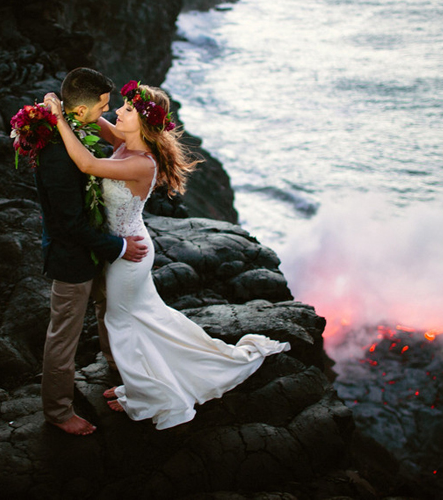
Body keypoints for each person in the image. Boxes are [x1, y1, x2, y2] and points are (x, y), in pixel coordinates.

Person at [43, 81, 290, 430]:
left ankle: (150, 392)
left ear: (143, 124)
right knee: (145, 318)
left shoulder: (142, 163)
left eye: (127, 110)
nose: (117, 112)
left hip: (130, 255)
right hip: (121, 248)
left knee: (122, 320)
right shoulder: (127, 142)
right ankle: (142, 381)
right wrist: (70, 103)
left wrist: (58, 121)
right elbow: (99, 121)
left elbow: (85, 164)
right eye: (120, 106)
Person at [35, 68, 148, 436]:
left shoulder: (79, 128)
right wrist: (118, 246)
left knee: (108, 310)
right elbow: (69, 225)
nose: (109, 109)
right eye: (103, 105)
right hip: (73, 256)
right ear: (81, 112)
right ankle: (57, 411)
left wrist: (59, 107)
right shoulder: (55, 153)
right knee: (63, 336)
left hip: (99, 249)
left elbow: (92, 146)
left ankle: (118, 370)